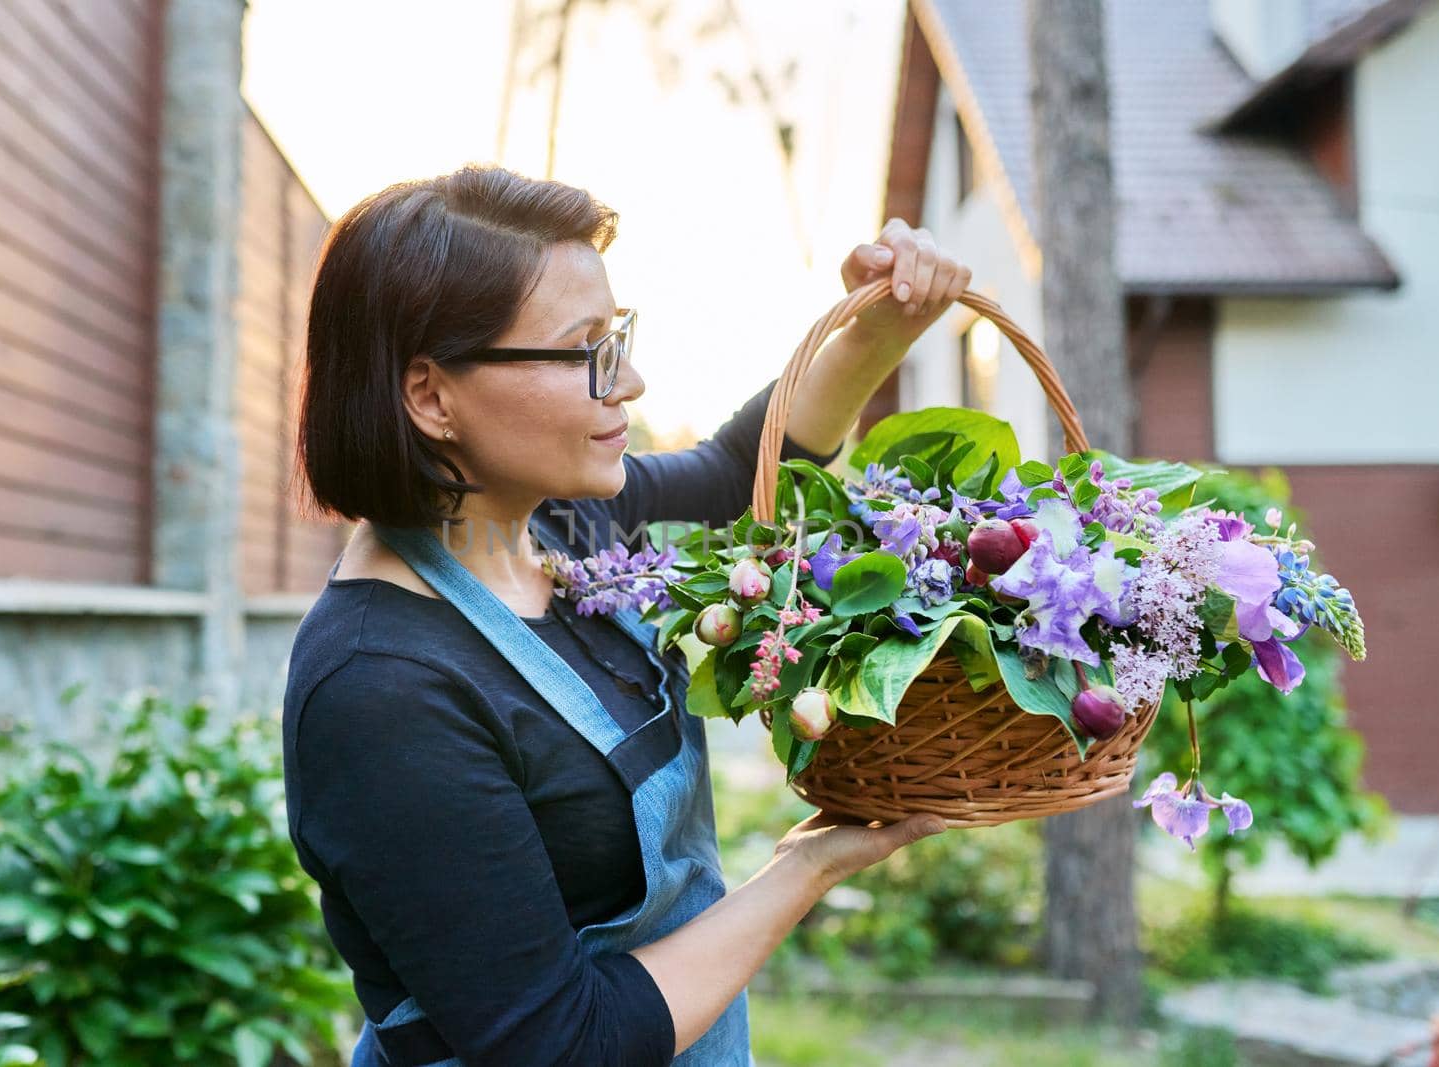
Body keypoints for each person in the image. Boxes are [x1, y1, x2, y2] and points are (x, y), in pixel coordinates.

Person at [282, 163, 973, 1067]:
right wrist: (810, 864)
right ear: (430, 395)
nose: (632, 381)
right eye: (586, 351)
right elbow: (562, 1045)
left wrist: (877, 328)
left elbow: (740, 474)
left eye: (620, 337)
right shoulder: (380, 692)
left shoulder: (564, 526)